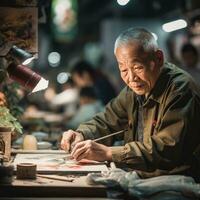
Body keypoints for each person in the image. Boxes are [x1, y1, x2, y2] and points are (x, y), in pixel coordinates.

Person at [61, 28, 200, 181]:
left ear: (158, 58)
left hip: (178, 182)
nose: (131, 78)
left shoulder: (180, 90)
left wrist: (108, 153)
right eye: (124, 70)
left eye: (138, 67)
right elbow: (106, 120)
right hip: (144, 177)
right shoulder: (133, 91)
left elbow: (166, 148)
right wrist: (81, 134)